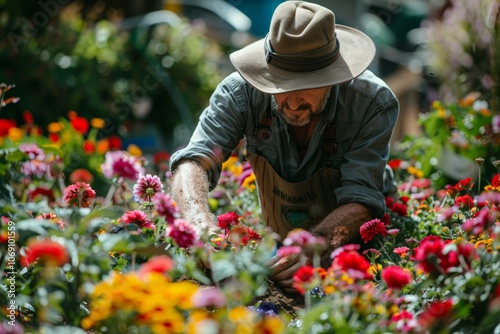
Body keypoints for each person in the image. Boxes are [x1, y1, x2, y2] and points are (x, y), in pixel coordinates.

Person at [169, 1, 399, 294]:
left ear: (333, 78)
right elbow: (193, 161)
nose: (291, 102)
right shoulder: (240, 93)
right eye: (280, 86)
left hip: (361, 247)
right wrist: (198, 220)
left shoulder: (371, 103)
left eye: (306, 87)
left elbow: (363, 199)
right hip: (277, 240)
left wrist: (313, 248)